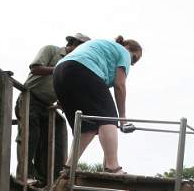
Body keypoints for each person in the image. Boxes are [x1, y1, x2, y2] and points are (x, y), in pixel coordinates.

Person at [53, 35, 143, 174]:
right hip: (83, 69)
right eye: (134, 59)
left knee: (86, 126)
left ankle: (69, 167)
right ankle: (113, 167)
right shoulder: (123, 52)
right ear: (128, 48)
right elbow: (120, 85)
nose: (131, 64)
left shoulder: (103, 49)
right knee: (109, 118)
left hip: (60, 72)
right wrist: (122, 117)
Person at [17, 33, 90, 184]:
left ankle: (47, 179)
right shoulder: (51, 50)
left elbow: (65, 89)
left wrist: (62, 103)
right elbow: (35, 68)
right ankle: (24, 176)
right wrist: (59, 68)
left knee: (54, 134)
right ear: (73, 43)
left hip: (47, 106)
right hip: (30, 97)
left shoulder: (73, 65)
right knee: (30, 135)